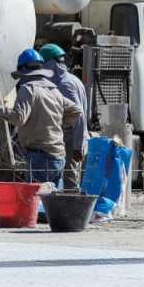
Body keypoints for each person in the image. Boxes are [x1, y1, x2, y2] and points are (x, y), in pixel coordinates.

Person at [0, 49, 82, 188]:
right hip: (58, 156)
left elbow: (18, 118)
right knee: (51, 202)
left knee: (37, 202)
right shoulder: (54, 91)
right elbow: (77, 111)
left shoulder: (28, 89)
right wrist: (59, 125)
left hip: (40, 157)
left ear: (23, 71)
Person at [40, 44, 89, 190]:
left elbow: (78, 116)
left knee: (70, 181)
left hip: (72, 141)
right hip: (73, 139)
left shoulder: (64, 85)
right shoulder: (72, 79)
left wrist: (77, 146)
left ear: (51, 63)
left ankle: (73, 211)